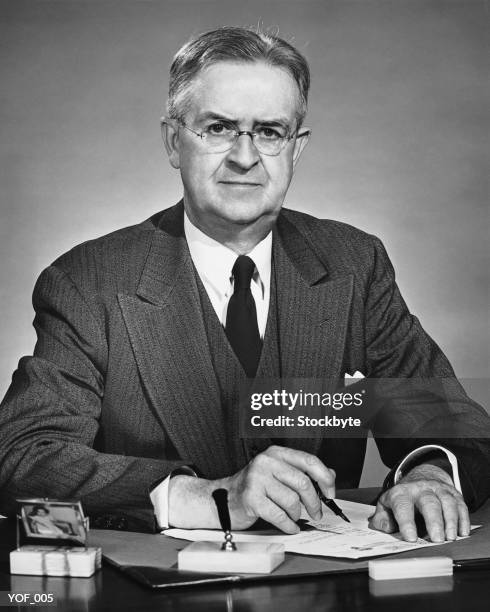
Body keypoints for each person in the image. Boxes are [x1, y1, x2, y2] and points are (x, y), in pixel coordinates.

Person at [0, 27, 489, 543]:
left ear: (295, 150)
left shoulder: (354, 265)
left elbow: (453, 425)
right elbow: (24, 454)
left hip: (329, 592)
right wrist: (206, 496)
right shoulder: (88, 282)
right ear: (173, 141)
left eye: (270, 132)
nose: (244, 155)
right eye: (218, 128)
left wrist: (430, 476)